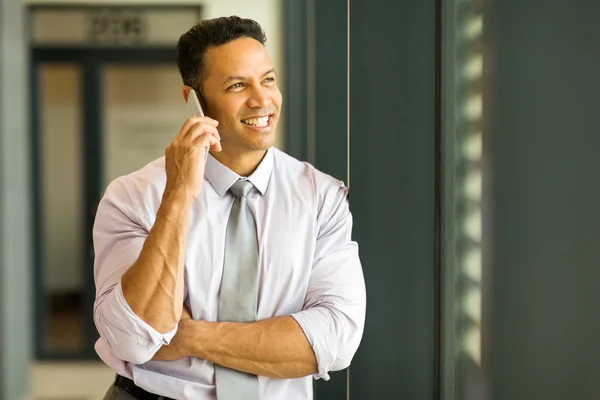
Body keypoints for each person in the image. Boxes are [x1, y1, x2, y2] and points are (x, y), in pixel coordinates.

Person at [94, 16, 366, 400]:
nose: (261, 99)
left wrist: (188, 334)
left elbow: (336, 340)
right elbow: (132, 339)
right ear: (193, 98)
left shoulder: (322, 197)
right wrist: (177, 196)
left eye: (268, 80)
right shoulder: (132, 196)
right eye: (238, 85)